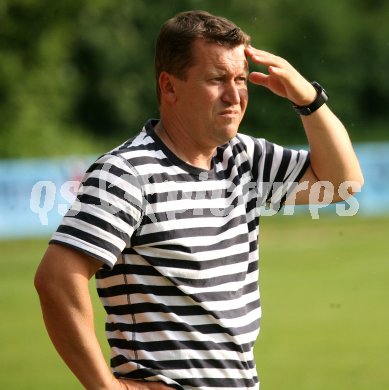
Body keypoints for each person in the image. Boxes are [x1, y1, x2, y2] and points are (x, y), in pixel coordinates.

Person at [34, 10, 363, 390]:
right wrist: (107, 388)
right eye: (216, 79)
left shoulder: (242, 157)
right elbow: (56, 279)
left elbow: (342, 183)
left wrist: (309, 100)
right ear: (169, 87)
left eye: (240, 79)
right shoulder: (126, 173)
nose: (234, 95)